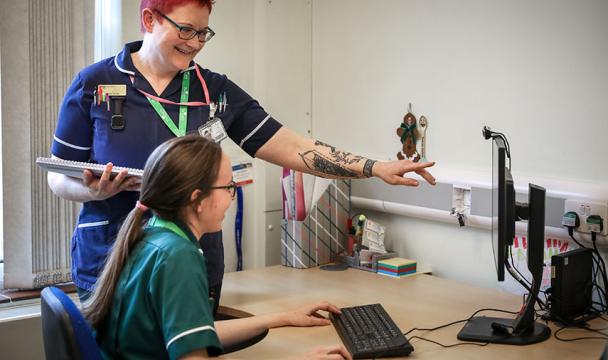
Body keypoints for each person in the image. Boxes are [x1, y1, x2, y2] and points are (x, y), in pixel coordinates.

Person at [48, 0, 436, 311]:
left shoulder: (214, 90)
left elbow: (292, 146)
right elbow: (57, 176)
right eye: (185, 29)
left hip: (192, 261)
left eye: (203, 33)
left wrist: (374, 167)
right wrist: (95, 192)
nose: (195, 42)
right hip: (113, 259)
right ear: (149, 19)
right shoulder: (95, 84)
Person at [83, 134, 351, 359]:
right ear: (197, 198)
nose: (231, 197)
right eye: (228, 187)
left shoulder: (153, 234)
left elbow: (196, 331)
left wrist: (282, 317)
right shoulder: (178, 256)